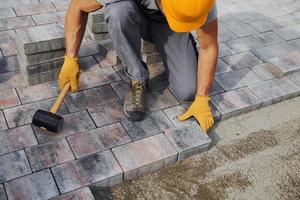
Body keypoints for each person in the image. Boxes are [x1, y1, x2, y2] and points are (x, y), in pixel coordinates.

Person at [59, 0, 218, 133]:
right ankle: (138, 78)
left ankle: (183, 43)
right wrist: (70, 58)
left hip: (166, 25)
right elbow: (77, 7)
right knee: (118, 13)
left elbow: (209, 46)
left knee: (188, 90)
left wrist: (203, 98)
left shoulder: (201, 3)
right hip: (133, 13)